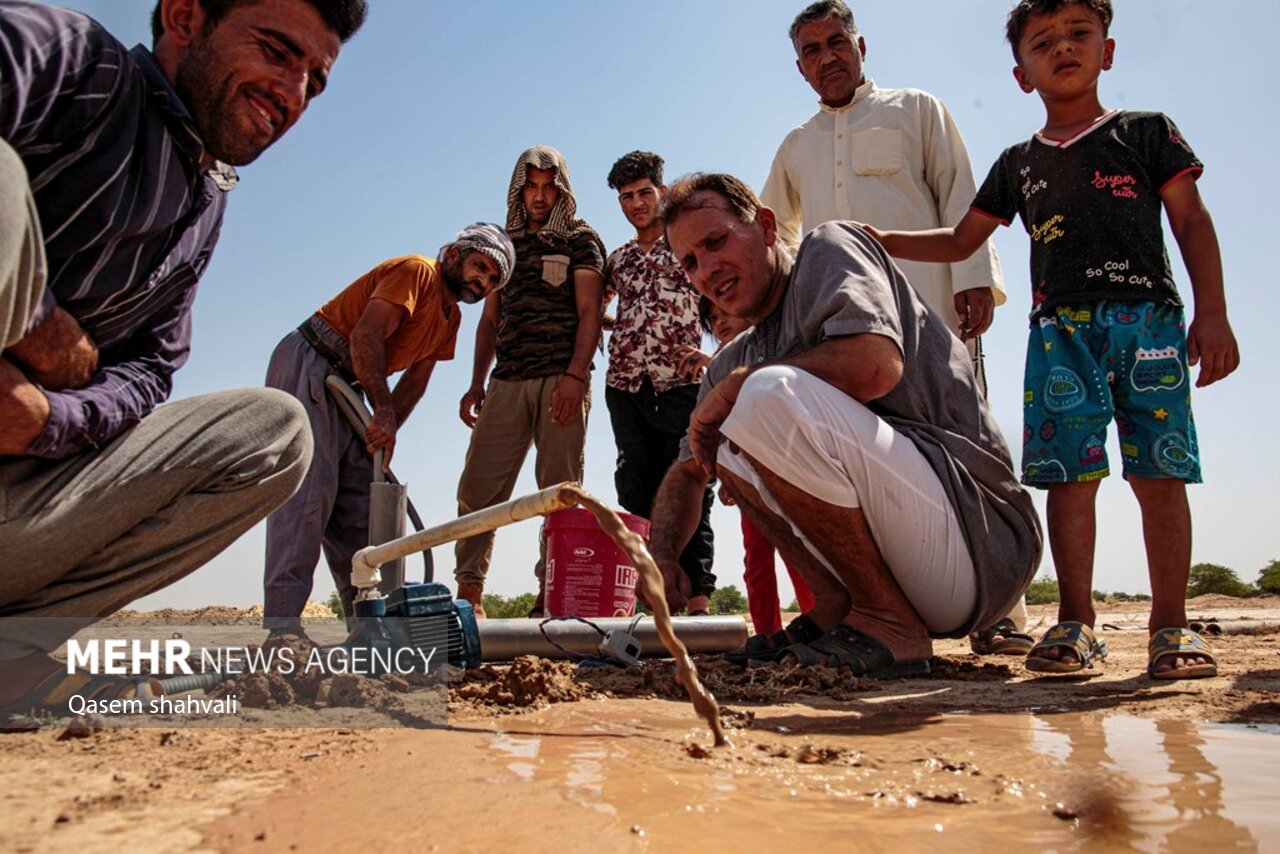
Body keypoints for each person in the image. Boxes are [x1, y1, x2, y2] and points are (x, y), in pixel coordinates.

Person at [0, 0, 365, 716]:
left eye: (314, 81)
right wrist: (42, 330)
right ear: (186, 16)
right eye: (276, 51)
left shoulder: (203, 204)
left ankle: (10, 650)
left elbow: (150, 369)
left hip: (22, 494)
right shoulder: (68, 59)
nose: (293, 93)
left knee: (276, 434)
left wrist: (43, 419)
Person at [865, 0, 1239, 679]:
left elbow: (1192, 221)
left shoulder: (1147, 133)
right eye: (1043, 43)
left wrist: (1211, 313)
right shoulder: (1018, 163)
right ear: (1022, 75)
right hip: (1058, 334)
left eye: (1078, 34)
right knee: (1069, 478)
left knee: (1160, 473)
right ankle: (1077, 621)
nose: (1063, 48)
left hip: (1149, 324)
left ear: (1108, 50)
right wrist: (879, 238)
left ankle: (1171, 624)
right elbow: (961, 239)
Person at [649, 173, 1041, 674]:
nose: (707, 269)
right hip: (914, 572)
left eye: (715, 242)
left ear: (766, 227)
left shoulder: (829, 248)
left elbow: (876, 365)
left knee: (761, 394)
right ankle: (840, 609)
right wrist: (662, 558)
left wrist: (741, 385)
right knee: (725, 441)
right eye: (690, 262)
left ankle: (888, 623)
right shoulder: (731, 362)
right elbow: (689, 469)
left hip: (980, 540)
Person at [762, 0, 1033, 655]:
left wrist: (973, 277)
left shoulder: (916, 110)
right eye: (811, 50)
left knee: (967, 452)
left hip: (931, 316)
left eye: (837, 42)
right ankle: (878, 612)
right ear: (798, 68)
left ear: (861, 46)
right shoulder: (796, 146)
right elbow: (773, 232)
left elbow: (960, 192)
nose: (827, 57)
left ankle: (1002, 615)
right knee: (865, 465)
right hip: (847, 337)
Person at [262, 225, 515, 634]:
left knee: (361, 509)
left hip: (353, 385)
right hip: (314, 359)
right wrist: (381, 411)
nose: (482, 281)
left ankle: (368, 632)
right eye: (479, 267)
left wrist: (387, 430)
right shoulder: (418, 272)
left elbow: (416, 381)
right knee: (309, 495)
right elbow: (365, 336)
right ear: (454, 255)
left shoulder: (450, 320)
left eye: (492, 279)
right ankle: (282, 629)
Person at [453, 147, 606, 618]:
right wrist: (476, 383)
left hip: (561, 379)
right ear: (518, 190)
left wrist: (575, 377)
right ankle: (469, 594)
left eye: (548, 188)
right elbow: (489, 320)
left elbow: (590, 313)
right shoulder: (504, 244)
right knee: (477, 490)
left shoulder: (581, 239)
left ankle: (551, 596)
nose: (539, 197)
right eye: (531, 187)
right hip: (507, 380)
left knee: (559, 494)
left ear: (562, 191)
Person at [602, 151, 715, 616]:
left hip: (682, 384)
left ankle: (699, 600)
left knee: (691, 482)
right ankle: (647, 599)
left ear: (662, 192)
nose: (636, 204)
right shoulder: (618, 260)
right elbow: (593, 307)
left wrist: (715, 357)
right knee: (634, 490)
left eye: (644, 193)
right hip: (626, 386)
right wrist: (624, 330)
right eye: (626, 197)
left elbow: (720, 301)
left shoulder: (686, 245)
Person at [686, 297, 816, 640]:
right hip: (748, 482)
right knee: (756, 557)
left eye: (725, 311)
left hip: (787, 476)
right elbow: (718, 432)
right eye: (712, 318)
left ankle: (818, 623)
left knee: (798, 552)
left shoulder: (773, 350)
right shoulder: (718, 373)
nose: (719, 322)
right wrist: (726, 478)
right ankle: (767, 633)